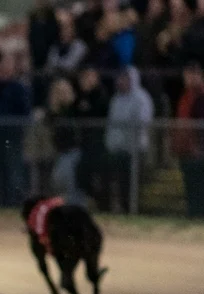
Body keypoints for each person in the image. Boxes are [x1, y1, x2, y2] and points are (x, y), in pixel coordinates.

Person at [104, 67, 154, 213]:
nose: (121, 82)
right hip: (118, 149)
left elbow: (144, 121)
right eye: (120, 78)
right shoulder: (116, 99)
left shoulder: (141, 98)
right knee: (119, 183)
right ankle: (123, 209)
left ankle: (134, 210)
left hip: (135, 149)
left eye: (124, 78)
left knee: (132, 184)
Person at [0, 55, 31, 208]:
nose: (2, 71)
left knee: (14, 168)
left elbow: (24, 111)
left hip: (12, 135)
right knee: (0, 168)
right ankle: (3, 201)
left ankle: (15, 201)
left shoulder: (18, 88)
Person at [173, 62, 204, 218]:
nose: (189, 79)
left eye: (192, 75)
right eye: (187, 75)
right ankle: (193, 213)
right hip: (185, 146)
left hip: (199, 147)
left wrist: (199, 145)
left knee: (200, 184)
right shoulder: (186, 95)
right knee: (190, 183)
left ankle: (202, 214)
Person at [74, 67, 111, 204]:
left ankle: (102, 203)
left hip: (99, 142)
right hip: (85, 142)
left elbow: (97, 112)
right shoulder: (81, 96)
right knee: (83, 174)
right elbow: (77, 112)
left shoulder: (101, 94)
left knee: (98, 175)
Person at [47, 78, 84, 204]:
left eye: (64, 91)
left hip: (73, 150)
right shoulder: (54, 112)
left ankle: (76, 207)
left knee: (67, 181)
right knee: (59, 180)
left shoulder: (74, 108)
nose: (61, 94)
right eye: (59, 91)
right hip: (61, 151)